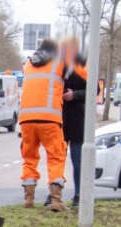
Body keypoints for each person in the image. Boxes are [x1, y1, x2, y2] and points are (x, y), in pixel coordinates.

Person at [19, 38, 82, 212]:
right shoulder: (59, 63)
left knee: (29, 158)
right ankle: (56, 201)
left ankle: (28, 200)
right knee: (55, 157)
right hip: (49, 118)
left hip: (26, 119)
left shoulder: (28, 65)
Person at [43, 39, 87, 209]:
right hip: (58, 120)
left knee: (77, 160)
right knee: (57, 159)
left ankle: (78, 194)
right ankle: (54, 195)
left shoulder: (82, 68)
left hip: (76, 120)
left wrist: (74, 95)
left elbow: (94, 90)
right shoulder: (56, 68)